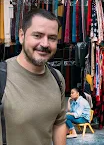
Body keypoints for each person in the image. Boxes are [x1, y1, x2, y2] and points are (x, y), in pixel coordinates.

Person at [1, 9, 67, 144]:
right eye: (37, 35)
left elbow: (59, 124)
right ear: (21, 35)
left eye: (52, 38)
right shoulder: (2, 76)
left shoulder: (57, 78)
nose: (45, 44)